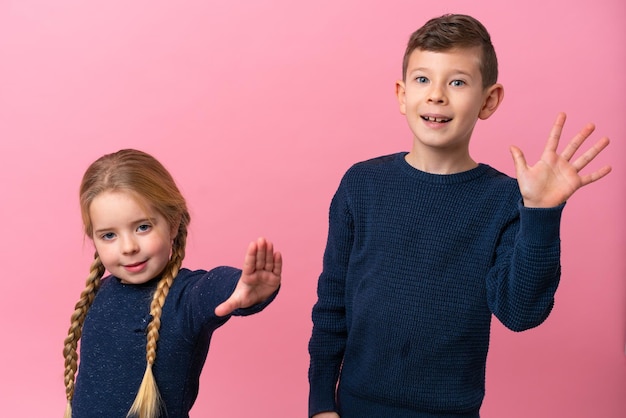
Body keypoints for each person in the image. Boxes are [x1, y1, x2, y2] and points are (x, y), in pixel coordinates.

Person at [308, 13, 611, 418]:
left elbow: (521, 313)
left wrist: (541, 213)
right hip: (355, 406)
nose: (436, 95)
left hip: (450, 411)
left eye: (457, 82)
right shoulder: (361, 184)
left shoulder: (505, 199)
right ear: (401, 94)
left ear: (489, 99)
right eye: (422, 79)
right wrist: (321, 403)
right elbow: (331, 304)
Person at [62, 149, 282, 418]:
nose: (128, 247)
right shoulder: (99, 293)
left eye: (143, 227)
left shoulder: (185, 297)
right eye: (109, 235)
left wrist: (242, 287)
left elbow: (212, 287)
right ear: (93, 238)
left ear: (173, 223)